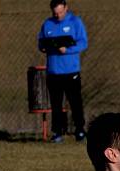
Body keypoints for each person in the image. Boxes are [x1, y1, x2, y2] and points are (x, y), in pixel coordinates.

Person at [38, 0, 88, 142]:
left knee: (75, 103)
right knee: (56, 104)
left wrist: (67, 50)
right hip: (53, 72)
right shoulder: (47, 24)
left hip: (71, 72)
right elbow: (41, 42)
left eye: (60, 12)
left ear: (66, 8)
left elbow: (83, 42)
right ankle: (57, 133)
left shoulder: (75, 22)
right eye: (55, 13)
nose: (58, 15)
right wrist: (44, 47)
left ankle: (79, 130)